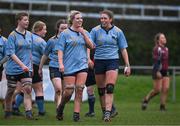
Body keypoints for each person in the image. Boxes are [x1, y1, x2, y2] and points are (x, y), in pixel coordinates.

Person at [90, 9, 131, 122]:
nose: (102, 20)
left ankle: (108, 113)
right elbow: (88, 45)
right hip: (98, 61)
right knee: (101, 90)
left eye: (105, 18)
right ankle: (105, 112)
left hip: (112, 61)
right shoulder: (95, 30)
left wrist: (127, 64)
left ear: (111, 19)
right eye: (101, 18)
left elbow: (123, 49)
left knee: (110, 87)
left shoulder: (118, 31)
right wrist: (88, 59)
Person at [56, 10, 95, 122]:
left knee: (80, 89)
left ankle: (76, 115)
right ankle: (61, 106)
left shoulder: (85, 32)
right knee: (68, 90)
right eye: (77, 18)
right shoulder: (65, 34)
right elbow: (60, 50)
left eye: (81, 18)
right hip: (69, 66)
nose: (80, 20)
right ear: (72, 20)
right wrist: (61, 64)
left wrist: (83, 33)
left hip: (82, 65)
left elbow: (91, 46)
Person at [4, 11, 34, 119]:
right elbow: (11, 54)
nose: (27, 22)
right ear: (19, 21)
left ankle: (28, 113)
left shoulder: (30, 35)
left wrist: (30, 66)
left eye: (28, 20)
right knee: (11, 91)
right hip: (13, 69)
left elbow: (30, 52)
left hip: (26, 69)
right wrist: (22, 65)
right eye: (25, 20)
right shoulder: (12, 36)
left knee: (27, 89)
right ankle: (7, 110)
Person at [39, 19, 68, 113]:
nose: (63, 30)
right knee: (58, 89)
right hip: (54, 66)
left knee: (63, 91)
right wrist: (40, 67)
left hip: (67, 68)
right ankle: (59, 110)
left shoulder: (70, 40)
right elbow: (45, 55)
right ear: (58, 29)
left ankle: (58, 107)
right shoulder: (51, 41)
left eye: (66, 28)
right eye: (62, 28)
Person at [142, 33, 170, 111]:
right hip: (157, 71)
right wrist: (157, 71)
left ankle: (162, 106)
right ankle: (146, 99)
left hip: (165, 71)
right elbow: (156, 61)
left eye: (164, 37)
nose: (164, 38)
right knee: (157, 90)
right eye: (162, 37)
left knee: (166, 88)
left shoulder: (166, 49)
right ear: (158, 40)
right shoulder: (157, 49)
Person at [31, 20, 47, 115]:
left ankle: (14, 106)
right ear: (39, 30)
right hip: (35, 65)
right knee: (39, 89)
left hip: (24, 65)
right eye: (44, 29)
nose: (45, 31)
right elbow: (46, 54)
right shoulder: (41, 41)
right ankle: (41, 111)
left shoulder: (28, 37)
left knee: (23, 88)